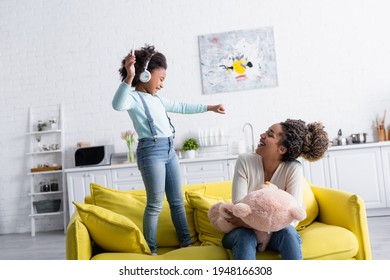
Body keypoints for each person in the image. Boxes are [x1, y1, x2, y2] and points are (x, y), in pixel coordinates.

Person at [112, 44, 225, 255]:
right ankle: (150, 250)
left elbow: (182, 107)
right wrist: (129, 76)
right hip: (151, 151)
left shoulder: (158, 99)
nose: (163, 84)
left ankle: (186, 244)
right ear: (145, 75)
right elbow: (117, 104)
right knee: (155, 203)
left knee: (176, 202)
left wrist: (209, 107)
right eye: (161, 78)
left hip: (169, 150)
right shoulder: (133, 98)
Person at [222, 119, 328, 260]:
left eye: (270, 134)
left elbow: (293, 217)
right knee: (244, 236)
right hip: (243, 231)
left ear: (281, 149)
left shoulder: (293, 168)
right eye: (266, 131)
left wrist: (252, 221)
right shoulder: (245, 161)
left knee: (289, 234)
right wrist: (271, 219)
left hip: (273, 232)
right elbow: (238, 208)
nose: (262, 135)